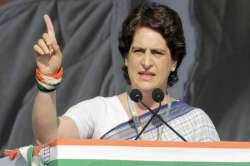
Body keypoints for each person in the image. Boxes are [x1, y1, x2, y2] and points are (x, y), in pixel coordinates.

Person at [32, 2, 220, 144]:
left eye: (157, 53)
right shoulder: (99, 111)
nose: (146, 62)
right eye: (138, 51)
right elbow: (50, 137)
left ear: (173, 62)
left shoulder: (196, 123)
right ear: (125, 58)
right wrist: (48, 80)